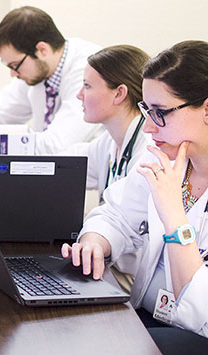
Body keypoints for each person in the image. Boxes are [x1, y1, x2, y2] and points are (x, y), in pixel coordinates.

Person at [62, 40, 208, 354]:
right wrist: (94, 242)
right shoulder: (167, 156)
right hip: (157, 315)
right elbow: (114, 213)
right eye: (146, 111)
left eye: (160, 113)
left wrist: (173, 214)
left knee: (110, 346)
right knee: (70, 328)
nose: (148, 128)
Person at [0, 6, 104, 155]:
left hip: (87, 182)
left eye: (15, 65)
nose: (13, 73)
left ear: (42, 50)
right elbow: (1, 110)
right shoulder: (41, 70)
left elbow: (56, 144)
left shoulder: (89, 70)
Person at [62, 45, 151, 292]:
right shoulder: (109, 141)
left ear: (119, 93)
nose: (79, 94)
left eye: (87, 86)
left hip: (133, 282)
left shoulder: (150, 148)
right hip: (113, 268)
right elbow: (65, 164)